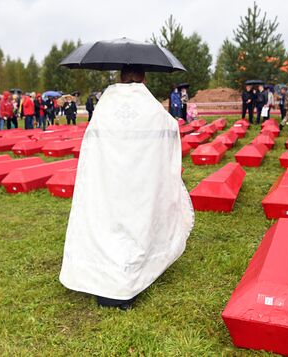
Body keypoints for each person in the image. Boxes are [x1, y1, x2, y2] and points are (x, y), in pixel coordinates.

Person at [59, 64, 194, 310]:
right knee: (137, 227)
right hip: (139, 182)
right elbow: (170, 129)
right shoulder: (150, 106)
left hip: (109, 181)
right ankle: (131, 278)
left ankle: (103, 280)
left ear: (121, 77)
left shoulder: (106, 104)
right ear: (143, 77)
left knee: (108, 227)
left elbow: (92, 142)